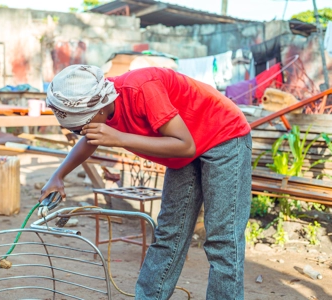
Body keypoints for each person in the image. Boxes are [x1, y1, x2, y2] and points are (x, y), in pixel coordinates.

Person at [40, 64, 252, 300]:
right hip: (183, 146)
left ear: (99, 108)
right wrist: (58, 175)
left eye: (81, 127)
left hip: (222, 134)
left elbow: (185, 145)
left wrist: (119, 138)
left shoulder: (142, 89)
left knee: (222, 239)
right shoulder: (96, 101)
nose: (82, 133)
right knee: (169, 234)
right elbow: (91, 139)